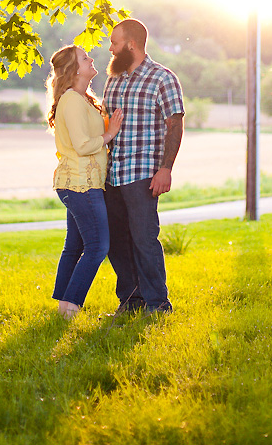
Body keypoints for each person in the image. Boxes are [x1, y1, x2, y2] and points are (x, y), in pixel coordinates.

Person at [103, 18, 184, 314]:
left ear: (131, 44)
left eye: (114, 43)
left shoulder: (163, 78)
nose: (110, 49)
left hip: (142, 174)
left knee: (144, 239)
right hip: (111, 175)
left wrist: (166, 169)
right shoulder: (113, 79)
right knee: (115, 240)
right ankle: (131, 301)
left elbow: (175, 125)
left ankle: (157, 303)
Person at [47, 44, 123, 319]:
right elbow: (82, 145)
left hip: (80, 182)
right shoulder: (71, 100)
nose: (91, 59)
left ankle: (63, 307)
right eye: (84, 58)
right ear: (73, 69)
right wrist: (109, 134)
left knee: (75, 247)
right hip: (81, 184)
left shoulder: (82, 99)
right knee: (98, 247)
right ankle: (71, 305)